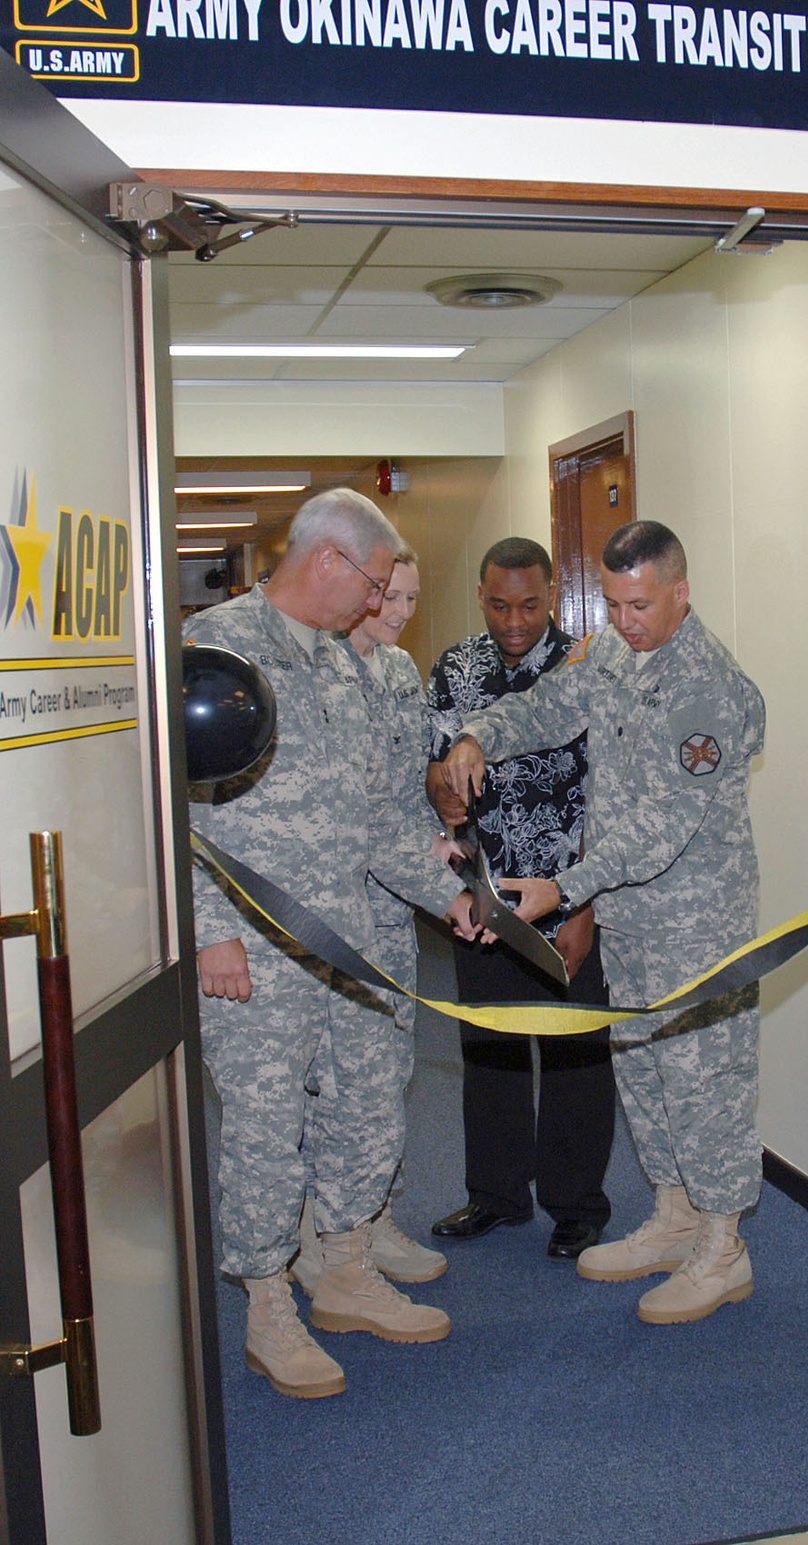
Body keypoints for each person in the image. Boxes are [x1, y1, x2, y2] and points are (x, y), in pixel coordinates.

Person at [186, 489, 480, 1400]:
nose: (379, 604)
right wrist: (208, 932)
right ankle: (268, 1302)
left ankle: (344, 1265)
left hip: (352, 944)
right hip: (256, 951)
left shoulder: (347, 671)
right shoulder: (210, 652)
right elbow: (166, 813)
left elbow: (377, 825)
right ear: (329, 562)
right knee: (268, 1130)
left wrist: (454, 899)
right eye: (374, 583)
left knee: (366, 1105)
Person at [441, 521, 765, 1323]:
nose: (624, 620)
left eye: (641, 604)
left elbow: (662, 828)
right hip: (633, 916)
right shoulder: (616, 655)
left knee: (703, 1078)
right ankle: (675, 1215)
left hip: (697, 919)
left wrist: (564, 886)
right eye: (614, 603)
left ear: (681, 592)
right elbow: (551, 706)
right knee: (644, 1064)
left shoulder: (705, 689)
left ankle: (723, 1245)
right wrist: (483, 732)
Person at [426, 537, 616, 1262]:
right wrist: (440, 791)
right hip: (483, 895)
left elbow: (609, 795)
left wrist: (587, 903)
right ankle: (497, 1195)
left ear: (553, 599)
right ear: (481, 596)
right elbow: (432, 769)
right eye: (501, 604)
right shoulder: (456, 668)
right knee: (492, 1051)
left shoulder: (586, 667)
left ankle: (574, 1203)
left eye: (530, 605)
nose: (515, 619)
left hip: (566, 898)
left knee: (574, 1056)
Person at [292, 543, 450, 1292]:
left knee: (390, 1070)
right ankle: (325, 1231)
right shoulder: (315, 670)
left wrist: (436, 846)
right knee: (334, 1080)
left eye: (413, 600)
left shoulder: (398, 673)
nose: (399, 612)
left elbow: (403, 796)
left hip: (393, 904)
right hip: (330, 910)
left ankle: (373, 1215)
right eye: (388, 595)